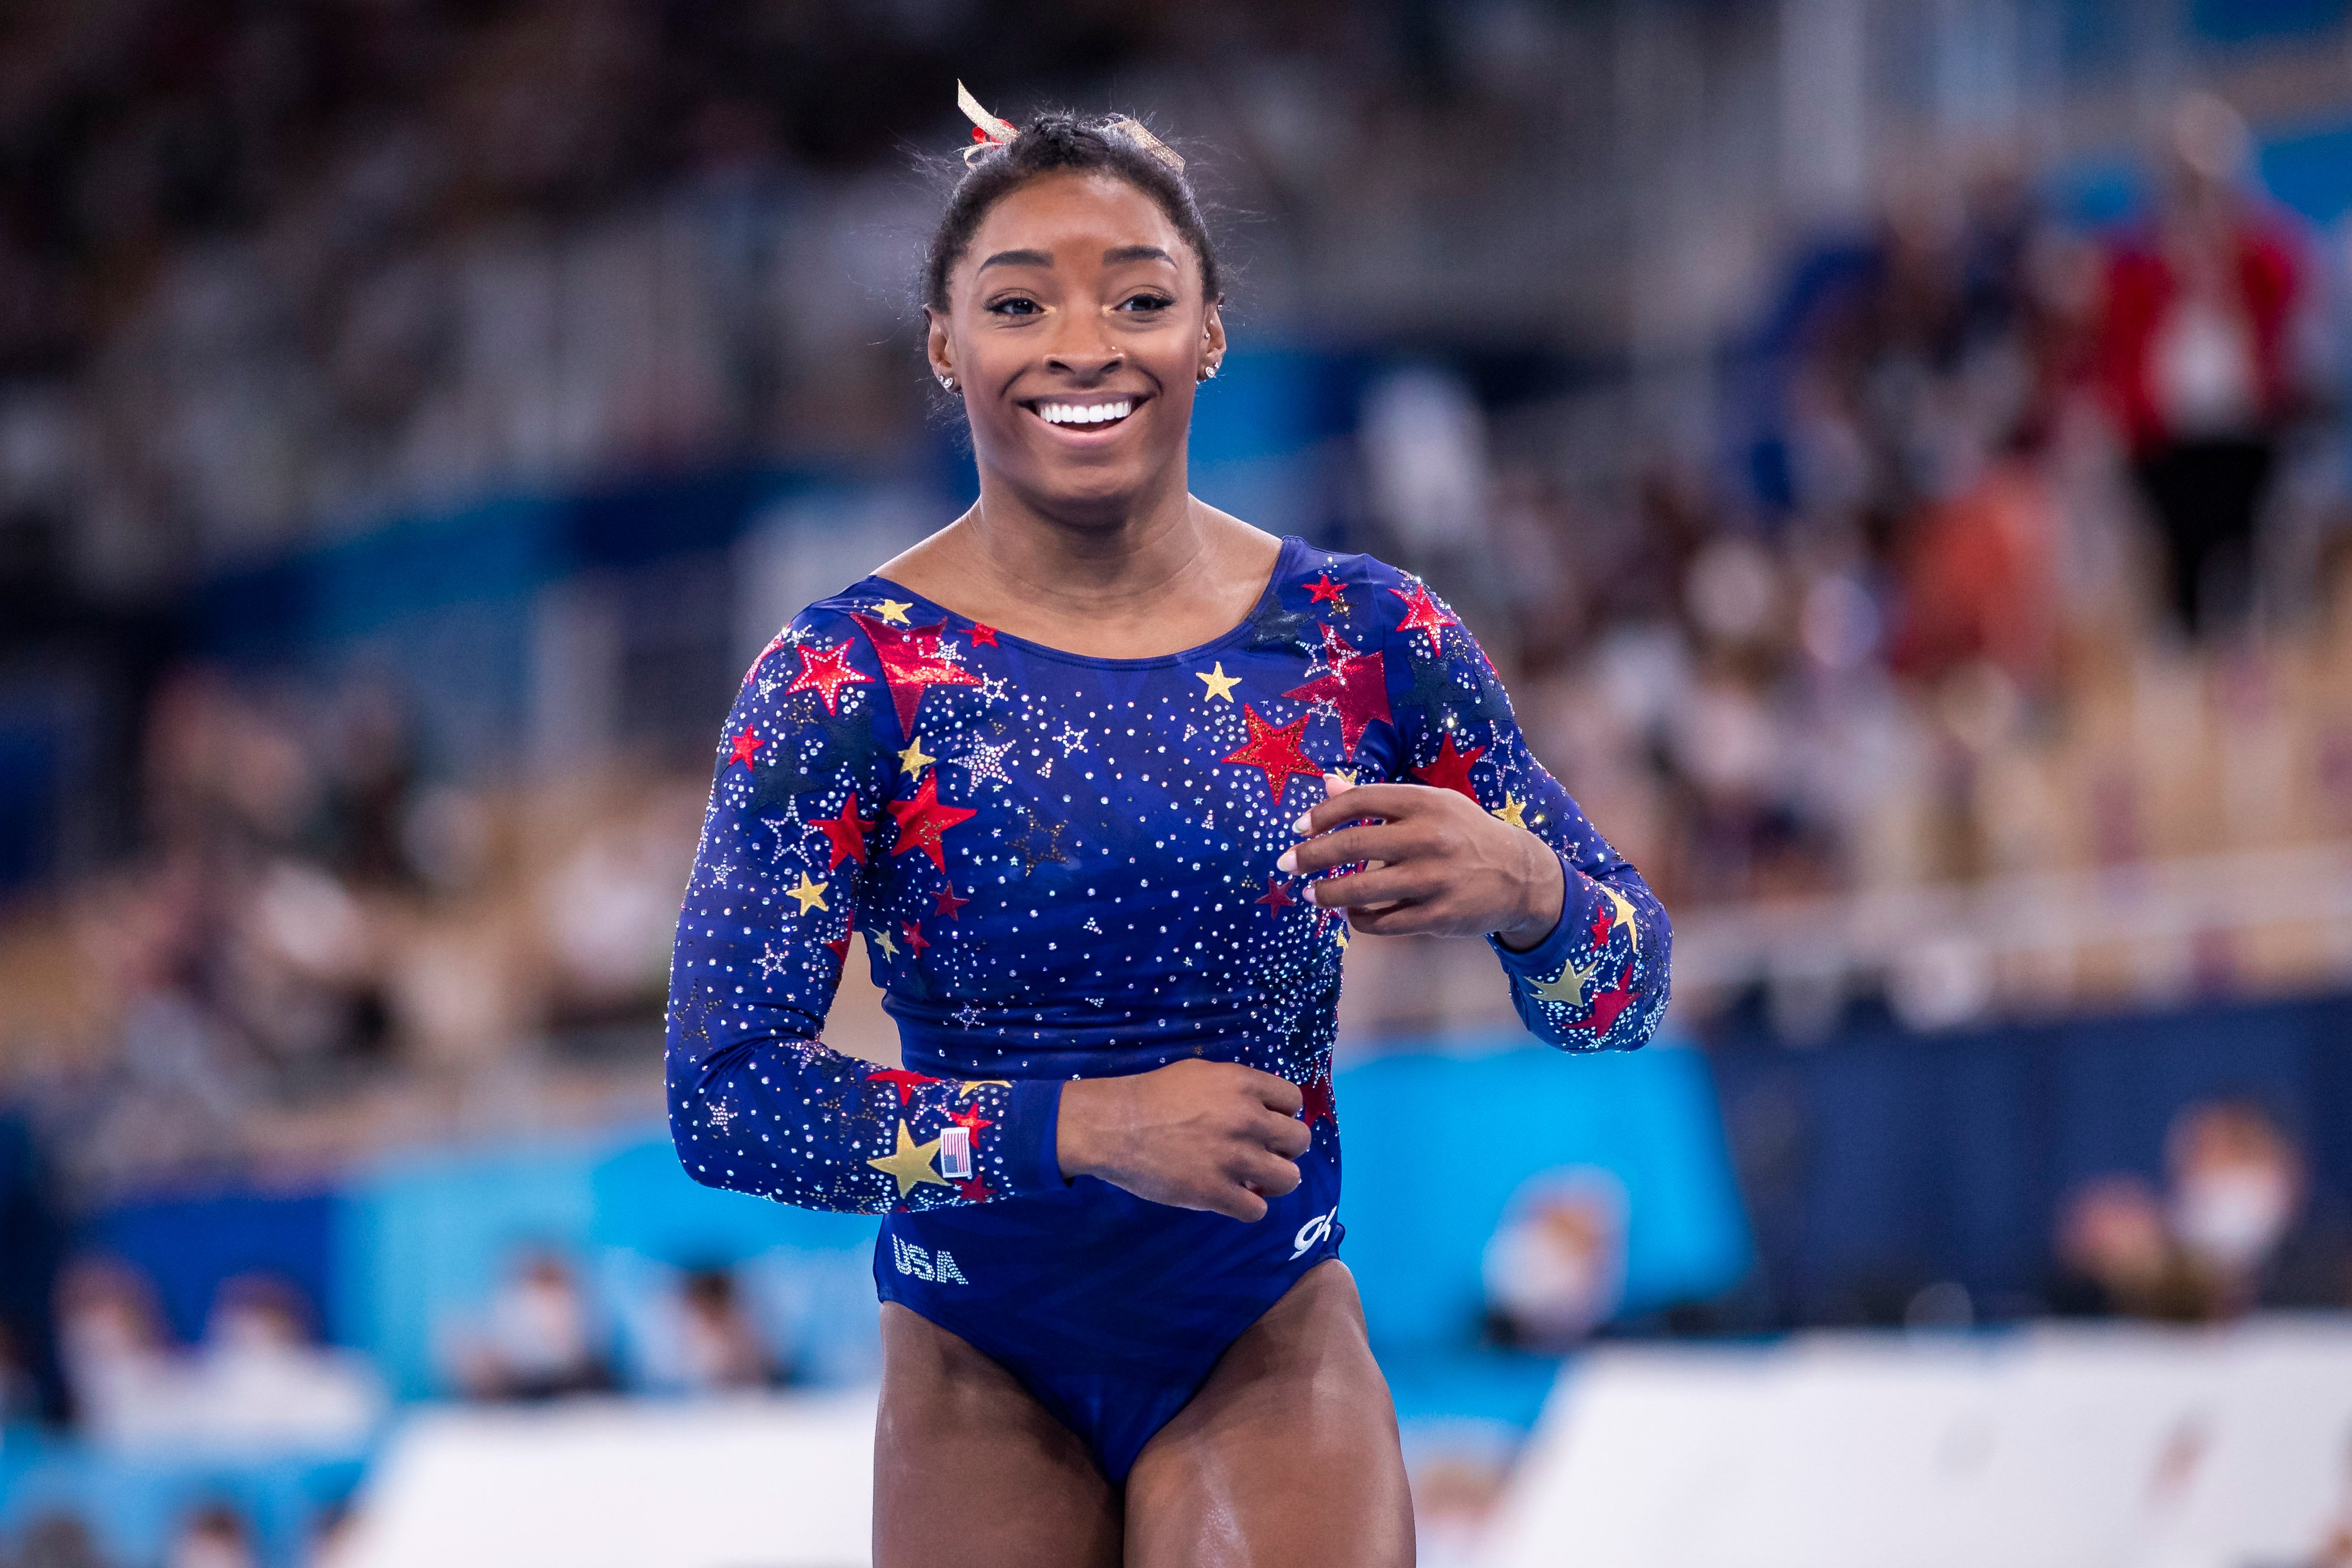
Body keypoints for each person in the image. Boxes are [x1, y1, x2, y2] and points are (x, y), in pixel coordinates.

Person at [666, 91, 1671, 1567]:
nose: (1082, 344)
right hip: (974, 1354)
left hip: (1261, 1331)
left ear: (1208, 330)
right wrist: (1088, 1127)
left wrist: (1530, 892)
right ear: (947, 345)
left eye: (1138, 295)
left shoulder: (1363, 636)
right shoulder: (841, 678)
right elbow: (726, 1096)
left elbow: (1625, 991)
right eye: (1020, 303)